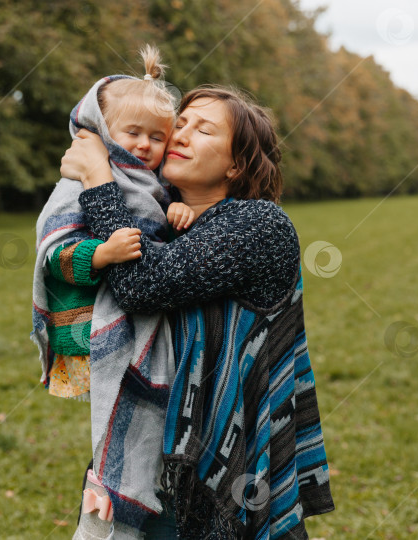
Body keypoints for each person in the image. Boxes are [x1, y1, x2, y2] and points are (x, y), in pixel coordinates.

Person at [61, 86, 335, 539]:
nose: (181, 135)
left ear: (237, 164)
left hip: (217, 474)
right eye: (180, 124)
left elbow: (141, 285)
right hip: (143, 454)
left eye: (204, 129)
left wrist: (97, 177)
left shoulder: (258, 225)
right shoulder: (159, 218)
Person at [31, 45, 195, 540]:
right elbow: (55, 251)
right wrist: (100, 256)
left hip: (152, 321)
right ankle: (118, 508)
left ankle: (139, 508)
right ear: (104, 133)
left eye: (158, 137)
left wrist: (180, 215)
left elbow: (165, 245)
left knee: (155, 432)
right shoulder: (80, 180)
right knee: (126, 422)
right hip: (105, 322)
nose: (144, 146)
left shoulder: (160, 187)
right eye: (133, 133)